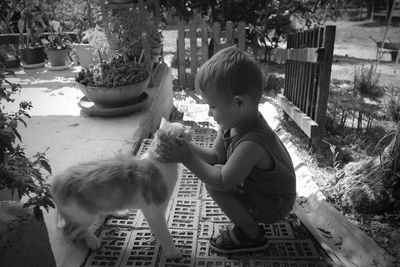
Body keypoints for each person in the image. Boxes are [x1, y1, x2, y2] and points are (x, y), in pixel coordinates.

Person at [158, 46, 296, 254]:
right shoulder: (233, 123)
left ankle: (252, 234)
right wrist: (185, 147)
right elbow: (215, 158)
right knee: (217, 169)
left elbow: (222, 181)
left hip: (275, 204)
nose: (209, 112)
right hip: (264, 191)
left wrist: (186, 158)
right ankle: (248, 223)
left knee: (214, 185)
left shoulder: (252, 143)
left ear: (239, 103)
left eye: (212, 106)